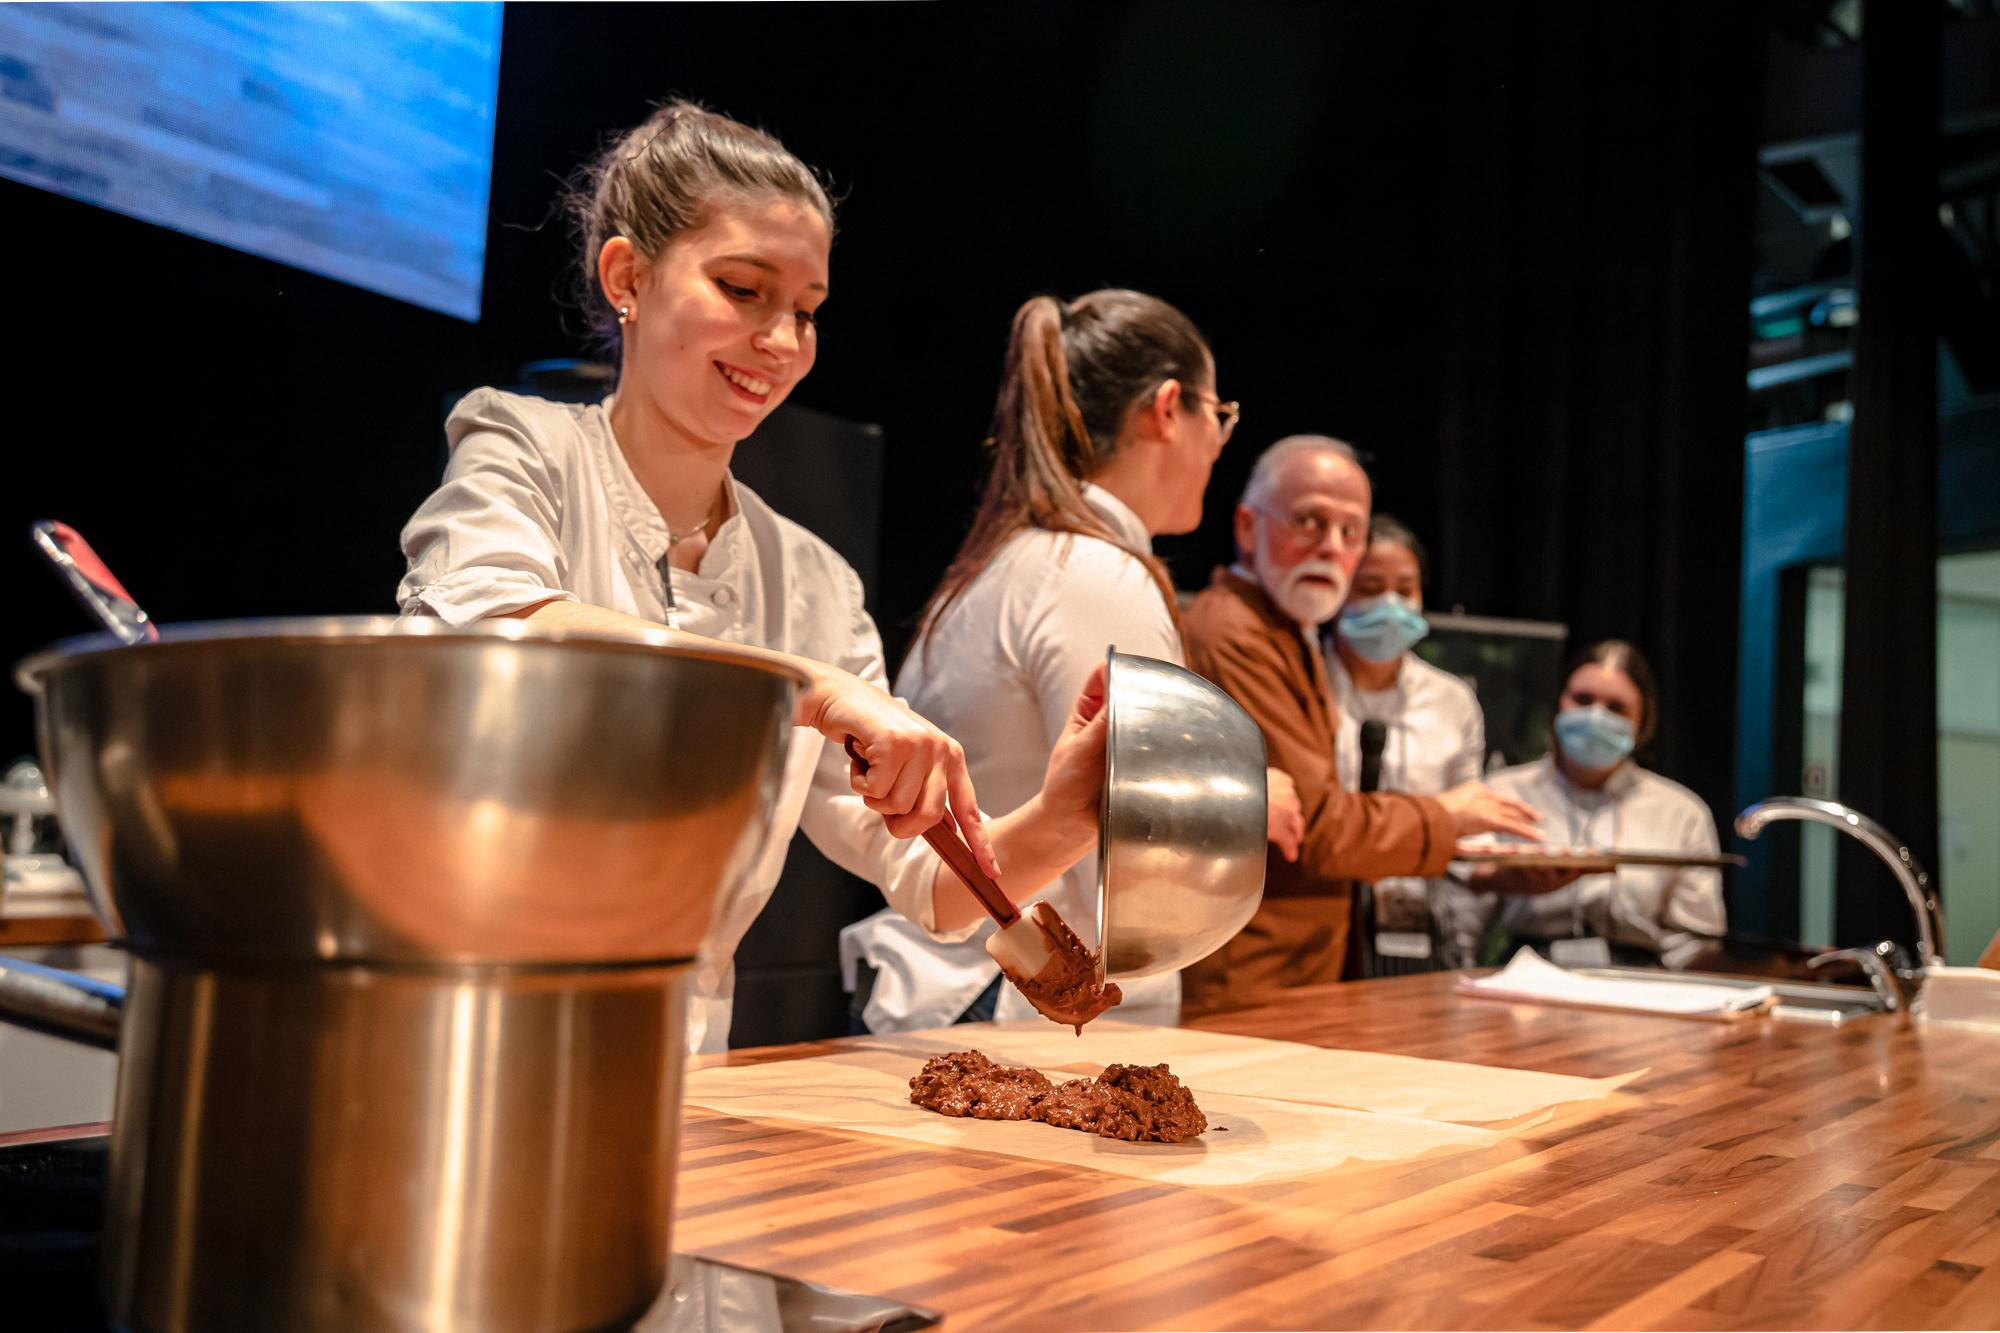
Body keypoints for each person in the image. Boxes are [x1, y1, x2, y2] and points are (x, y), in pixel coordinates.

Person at [397, 101, 1107, 1051]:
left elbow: (931, 886)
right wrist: (809, 688)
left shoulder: (812, 580)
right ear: (628, 277)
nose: (783, 341)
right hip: (470, 1041)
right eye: (743, 289)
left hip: (688, 1070)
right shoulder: (520, 445)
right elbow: (492, 627)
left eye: (806, 312)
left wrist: (1069, 815)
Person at [839, 290, 1305, 1033]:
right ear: (1169, 408)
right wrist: (1246, 802)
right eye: (1219, 416)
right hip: (1019, 1001)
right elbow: (1141, 833)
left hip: (969, 988)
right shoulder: (1096, 574)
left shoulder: (1020, 558)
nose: (1219, 444)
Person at [1178, 436, 1543, 1015]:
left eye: (1351, 531)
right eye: (1309, 522)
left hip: (1305, 967)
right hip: (1252, 976)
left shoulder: (1283, 629)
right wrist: (1446, 816)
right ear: (1247, 527)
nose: (1331, 547)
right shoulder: (1238, 634)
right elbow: (1318, 829)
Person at [1454, 640, 1726, 970]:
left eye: (1616, 708)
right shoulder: (1502, 793)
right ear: (1559, 702)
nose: (1596, 716)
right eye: (1582, 700)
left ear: (1643, 721)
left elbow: (1696, 939)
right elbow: (1465, 914)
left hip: (1641, 980)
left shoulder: (1681, 811)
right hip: (1529, 972)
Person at [1324, 514, 1488, 968]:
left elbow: (1469, 813)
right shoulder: (1304, 682)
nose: (1390, 603)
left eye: (1405, 589)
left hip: (1422, 902)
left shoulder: (1453, 698)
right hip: (1324, 897)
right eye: (1370, 587)